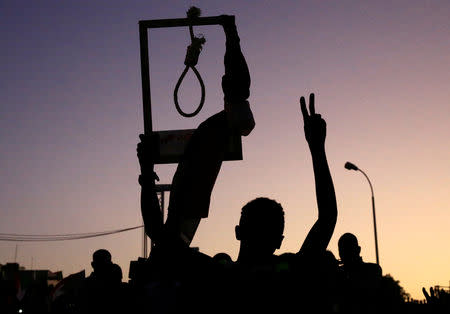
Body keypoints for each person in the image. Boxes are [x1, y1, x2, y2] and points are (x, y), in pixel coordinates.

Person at [137, 16, 337, 313]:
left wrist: (145, 172)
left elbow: (161, 235)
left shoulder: (220, 274)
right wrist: (317, 149)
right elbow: (327, 218)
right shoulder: (288, 273)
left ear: (237, 231)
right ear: (280, 240)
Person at [337, 232, 383, 313]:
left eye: (348, 249)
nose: (344, 254)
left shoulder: (373, 269)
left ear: (358, 250)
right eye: (342, 251)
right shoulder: (338, 272)